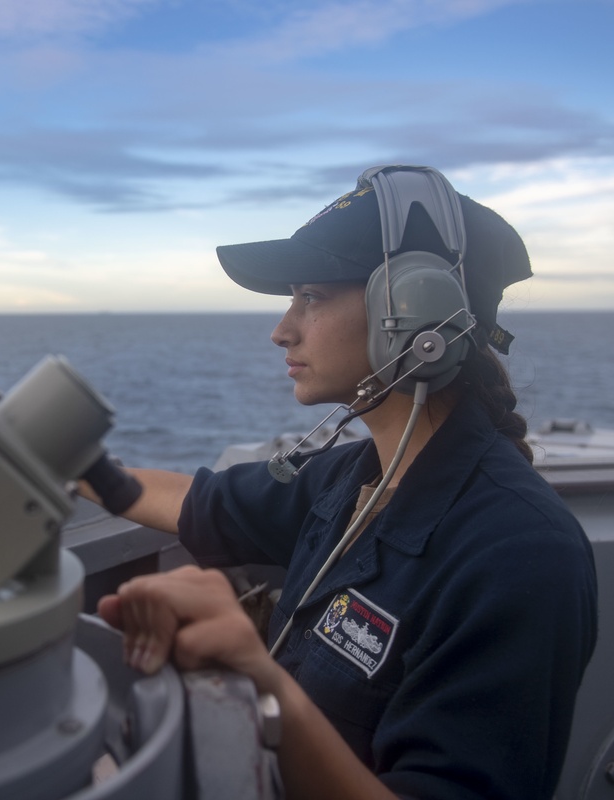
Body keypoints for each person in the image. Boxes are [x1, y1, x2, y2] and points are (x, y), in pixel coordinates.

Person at [83, 165, 598, 800]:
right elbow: (201, 502)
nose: (282, 329)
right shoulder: (353, 478)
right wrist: (63, 461)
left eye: (312, 297)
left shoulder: (518, 555)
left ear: (411, 311)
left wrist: (267, 692)